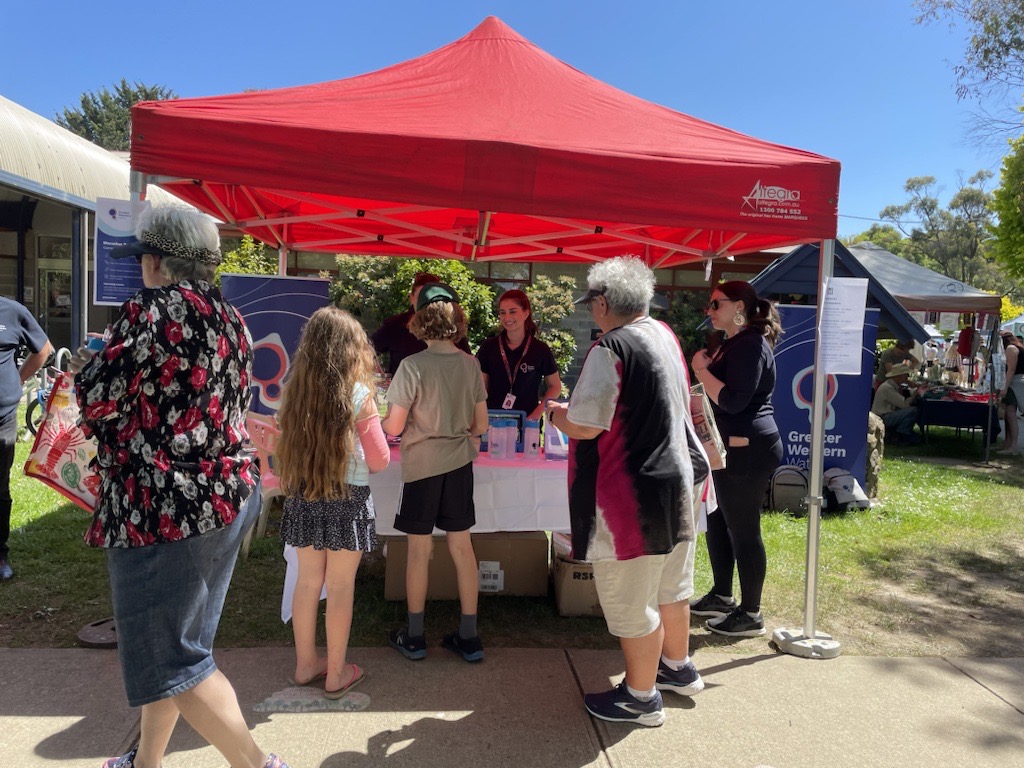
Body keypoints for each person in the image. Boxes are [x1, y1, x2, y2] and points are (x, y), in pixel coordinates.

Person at [70, 205, 290, 768]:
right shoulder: (229, 318)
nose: (140, 266)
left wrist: (92, 362)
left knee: (171, 656)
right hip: (220, 496)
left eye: (144, 256)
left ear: (160, 262)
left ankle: (258, 765)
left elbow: (94, 398)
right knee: (178, 647)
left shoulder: (149, 312)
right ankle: (146, 763)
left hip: (162, 506)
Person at [547, 257, 708, 728]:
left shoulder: (608, 348)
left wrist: (556, 413)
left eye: (591, 306)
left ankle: (640, 697)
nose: (593, 314)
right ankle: (676, 667)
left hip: (632, 494)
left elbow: (586, 423)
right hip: (679, 479)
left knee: (632, 597)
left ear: (602, 303)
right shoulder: (664, 333)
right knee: (670, 586)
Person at [275, 307, 391, 698]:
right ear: (352, 350)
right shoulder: (359, 395)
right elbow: (379, 460)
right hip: (348, 499)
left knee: (308, 583)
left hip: (304, 496)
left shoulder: (295, 392)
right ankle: (336, 674)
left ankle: (305, 664)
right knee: (340, 587)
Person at [381, 283, 489, 663]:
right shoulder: (470, 364)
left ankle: (414, 635)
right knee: (463, 549)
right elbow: (481, 424)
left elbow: (393, 428)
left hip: (423, 466)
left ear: (420, 322)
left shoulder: (411, 367)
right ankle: (470, 635)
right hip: (459, 463)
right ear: (456, 321)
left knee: (418, 551)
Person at [689, 280, 783, 638]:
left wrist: (701, 371)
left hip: (748, 448)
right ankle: (723, 595)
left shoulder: (750, 344)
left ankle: (751, 612)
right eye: (709, 305)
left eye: (716, 304)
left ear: (739, 307)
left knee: (743, 530)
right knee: (717, 521)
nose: (709, 311)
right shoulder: (736, 344)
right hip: (727, 447)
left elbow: (732, 401)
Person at [0, 300, 53, 581]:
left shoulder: (12, 311)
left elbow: (43, 349)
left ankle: (0, 554)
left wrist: (17, 380)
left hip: (2, 417)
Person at [476, 289, 561, 421]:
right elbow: (481, 388)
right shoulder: (488, 347)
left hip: (527, 423)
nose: (507, 317)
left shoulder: (540, 349)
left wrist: (537, 414)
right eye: (502, 312)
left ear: (526, 313)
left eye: (513, 311)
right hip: (493, 421)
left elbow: (555, 386)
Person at [371, 272, 471, 376]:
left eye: (432, 300)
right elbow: (365, 350)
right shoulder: (394, 326)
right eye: (421, 298)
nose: (426, 305)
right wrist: (380, 376)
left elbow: (466, 359)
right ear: (411, 298)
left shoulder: (451, 325)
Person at [871, 363, 922, 445]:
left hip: (887, 415)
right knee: (913, 410)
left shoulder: (894, 385)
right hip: (882, 417)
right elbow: (905, 405)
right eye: (906, 374)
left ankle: (901, 434)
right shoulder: (887, 388)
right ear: (898, 376)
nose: (908, 376)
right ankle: (902, 434)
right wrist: (915, 393)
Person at [997, 331, 1024, 456]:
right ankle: (1007, 443)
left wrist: (1005, 388)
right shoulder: (1016, 347)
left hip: (1015, 383)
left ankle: (1012, 446)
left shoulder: (1011, 349)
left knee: (1011, 414)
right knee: (1008, 415)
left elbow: (1011, 369)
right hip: (1014, 382)